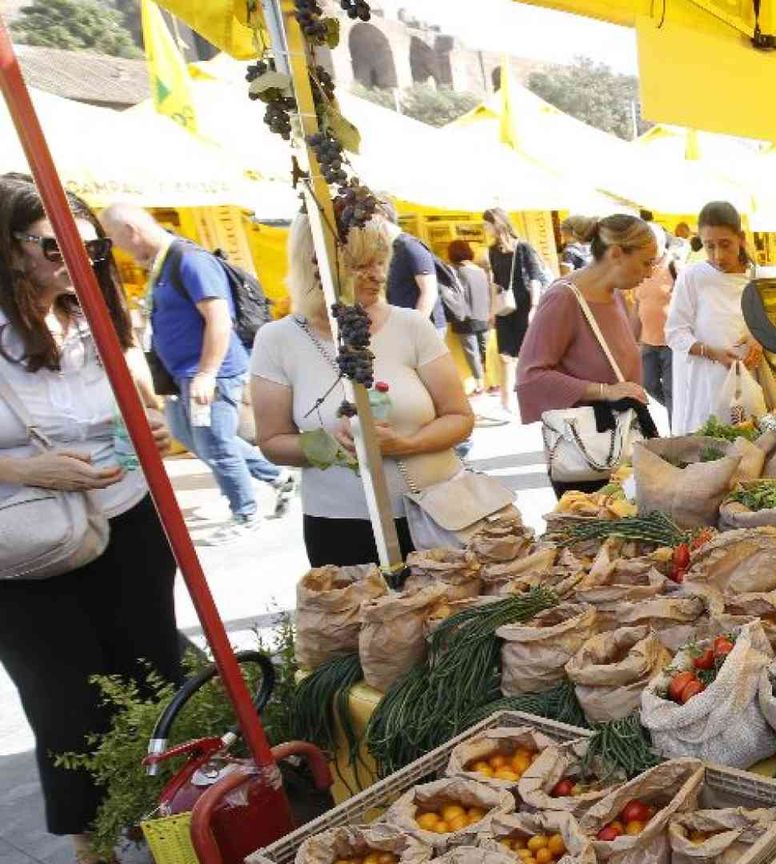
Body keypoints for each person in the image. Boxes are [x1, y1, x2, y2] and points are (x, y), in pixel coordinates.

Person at [0, 178, 180, 861]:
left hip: (126, 519)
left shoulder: (92, 315)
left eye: (88, 243)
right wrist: (20, 469)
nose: (74, 257)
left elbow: (132, 405)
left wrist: (153, 429)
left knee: (153, 676)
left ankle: (165, 820)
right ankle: (93, 845)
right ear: (11, 251)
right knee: (68, 705)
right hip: (28, 551)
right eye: (53, 245)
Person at [250, 216, 474, 567]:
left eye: (381, 261)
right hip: (342, 526)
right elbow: (272, 442)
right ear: (316, 267)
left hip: (441, 512)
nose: (378, 275)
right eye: (359, 265)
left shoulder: (411, 326)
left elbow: (460, 417)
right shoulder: (278, 340)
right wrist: (327, 445)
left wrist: (408, 444)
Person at [100, 204, 293, 545]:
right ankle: (276, 476)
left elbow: (219, 320)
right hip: (180, 377)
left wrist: (207, 373)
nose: (118, 248)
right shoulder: (164, 263)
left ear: (131, 230)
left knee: (216, 443)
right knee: (189, 437)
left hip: (208, 374)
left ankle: (245, 513)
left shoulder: (189, 260)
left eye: (114, 238)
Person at [516, 214, 653, 492]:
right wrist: (605, 391)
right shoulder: (564, 297)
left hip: (623, 440)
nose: (649, 273)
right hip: (587, 451)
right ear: (616, 253)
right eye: (646, 262)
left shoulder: (614, 294)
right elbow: (530, 377)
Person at [666, 201, 768, 434]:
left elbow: (769, 324)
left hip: (750, 380)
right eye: (709, 246)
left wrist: (757, 339)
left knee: (750, 445)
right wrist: (712, 352)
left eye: (725, 245)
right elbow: (675, 333)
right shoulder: (692, 277)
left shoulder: (757, 277)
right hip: (705, 384)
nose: (718, 255)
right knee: (710, 448)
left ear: (741, 238)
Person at [484, 208, 548, 414]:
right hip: (505, 308)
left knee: (528, 355)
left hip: (524, 305)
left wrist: (534, 307)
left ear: (497, 224)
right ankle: (506, 402)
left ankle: (535, 397)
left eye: (487, 224)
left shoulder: (523, 247)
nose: (485, 228)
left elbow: (535, 277)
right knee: (505, 355)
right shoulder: (492, 250)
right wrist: (493, 310)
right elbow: (495, 282)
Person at [372, 200, 446, 334]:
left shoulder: (410, 246)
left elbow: (429, 292)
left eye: (368, 217)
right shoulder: (389, 248)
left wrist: (415, 329)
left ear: (382, 215)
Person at [446, 239, 492, 394]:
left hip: (465, 317)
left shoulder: (456, 270)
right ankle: (492, 381)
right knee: (486, 350)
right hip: (483, 315)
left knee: (472, 352)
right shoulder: (480, 270)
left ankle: (479, 384)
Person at [635, 240, 674, 413]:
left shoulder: (674, 267)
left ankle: (677, 432)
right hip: (648, 341)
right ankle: (677, 410)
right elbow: (637, 305)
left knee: (671, 390)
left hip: (670, 343)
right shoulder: (640, 270)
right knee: (648, 384)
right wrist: (632, 339)